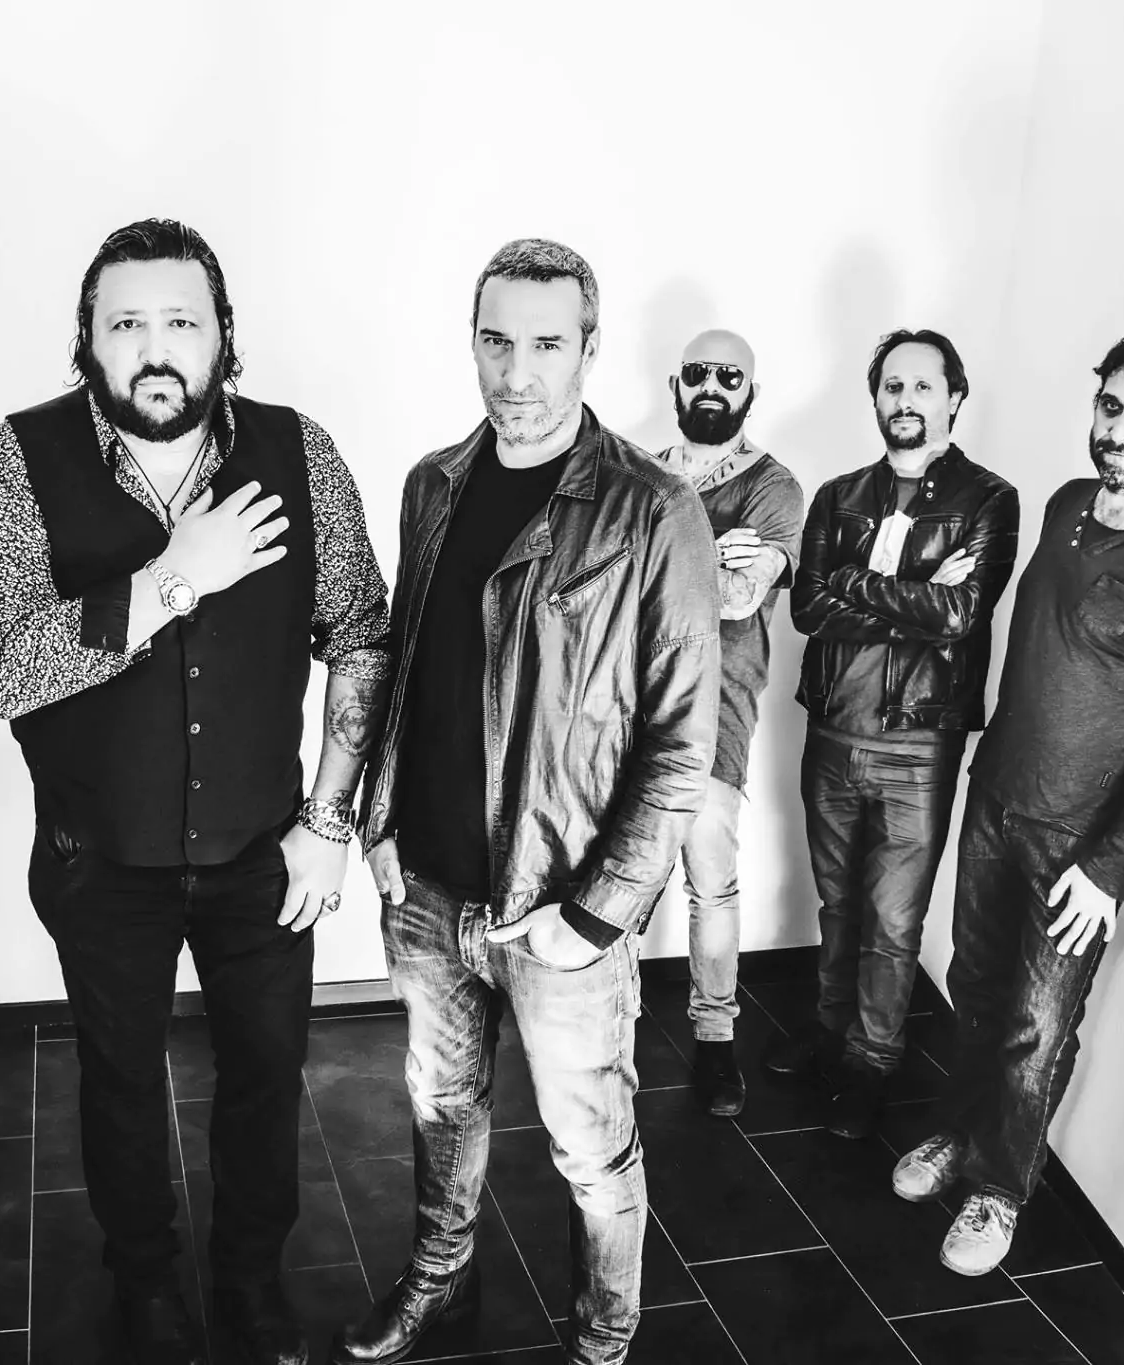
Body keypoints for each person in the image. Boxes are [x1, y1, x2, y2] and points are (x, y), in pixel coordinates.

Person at [0, 219, 391, 1365]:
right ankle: (143, 1283)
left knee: (266, 1077)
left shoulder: (301, 453)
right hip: (97, 859)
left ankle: (248, 1280)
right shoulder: (20, 458)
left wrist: (327, 822)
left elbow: (361, 637)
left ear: (222, 336)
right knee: (117, 1084)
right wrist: (167, 582)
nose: (155, 348)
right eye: (126, 323)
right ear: (87, 340)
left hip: (265, 853)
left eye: (180, 321)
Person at [342, 239, 720, 1365]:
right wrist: (377, 822)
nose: (516, 373)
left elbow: (679, 742)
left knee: (590, 1152)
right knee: (440, 1108)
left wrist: (597, 911)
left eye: (546, 344)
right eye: (495, 341)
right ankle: (437, 1281)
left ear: (590, 350)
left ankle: (603, 1340)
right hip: (428, 892)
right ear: (471, 341)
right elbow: (408, 662)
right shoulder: (431, 485)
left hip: (559, 905)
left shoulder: (654, 511)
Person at [895, 334, 1124, 1276]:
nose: (1122, 428)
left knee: (1036, 1025)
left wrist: (1110, 869)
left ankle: (999, 1188)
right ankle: (961, 1134)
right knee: (974, 988)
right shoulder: (1065, 506)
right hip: (998, 799)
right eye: (1112, 406)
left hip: (1080, 848)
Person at [776, 329, 1019, 1141]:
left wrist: (854, 583)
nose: (905, 400)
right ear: (875, 397)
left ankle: (873, 1062)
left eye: (922, 385)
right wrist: (905, 592)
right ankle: (830, 1033)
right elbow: (807, 606)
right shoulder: (837, 495)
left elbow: (959, 614)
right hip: (831, 733)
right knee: (838, 902)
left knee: (892, 920)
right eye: (892, 386)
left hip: (918, 743)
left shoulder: (988, 500)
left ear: (955, 397)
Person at [652, 328, 805, 1119]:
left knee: (711, 882)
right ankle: (607, 1028)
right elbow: (598, 594)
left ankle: (715, 1040)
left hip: (716, 713)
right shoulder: (639, 472)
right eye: (698, 372)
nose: (712, 385)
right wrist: (712, 554)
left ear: (751, 391)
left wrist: (659, 563)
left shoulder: (774, 486)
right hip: (631, 713)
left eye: (730, 375)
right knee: (622, 876)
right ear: (676, 384)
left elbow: (742, 600)